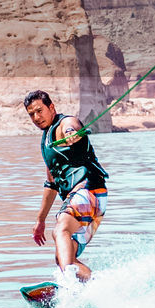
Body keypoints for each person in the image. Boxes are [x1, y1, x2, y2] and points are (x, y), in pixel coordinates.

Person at [24, 89, 108, 286]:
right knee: (64, 258)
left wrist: (72, 134)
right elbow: (51, 184)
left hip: (89, 190)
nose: (36, 117)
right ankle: (100, 286)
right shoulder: (45, 141)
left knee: (61, 229)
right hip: (92, 202)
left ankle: (68, 283)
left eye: (39, 110)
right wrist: (40, 220)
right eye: (31, 114)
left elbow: (72, 126)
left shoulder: (64, 123)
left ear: (51, 107)